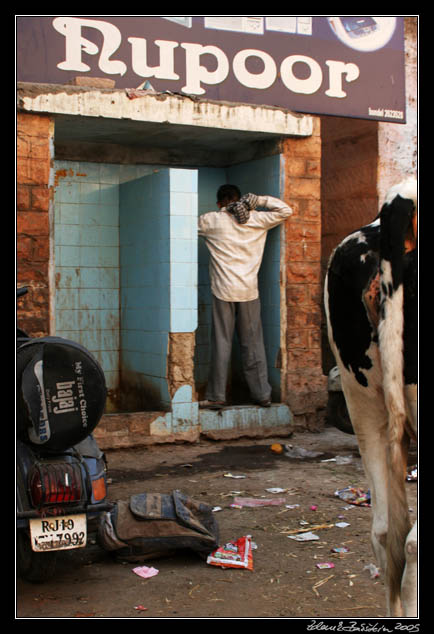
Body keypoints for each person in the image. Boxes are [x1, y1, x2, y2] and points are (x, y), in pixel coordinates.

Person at [198, 184, 293, 409]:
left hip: (222, 291)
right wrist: (258, 200)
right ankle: (262, 395)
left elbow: (181, 226)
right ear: (240, 199)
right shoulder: (257, 219)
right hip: (249, 291)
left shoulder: (212, 220)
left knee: (222, 344)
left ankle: (217, 396)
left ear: (219, 203)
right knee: (253, 344)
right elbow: (286, 210)